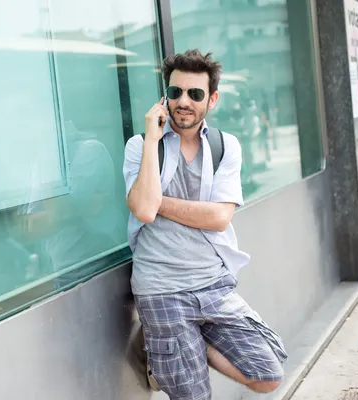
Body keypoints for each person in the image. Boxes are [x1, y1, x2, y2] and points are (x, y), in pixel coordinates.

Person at [123, 49, 287, 399]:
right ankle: (169, 345)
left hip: (213, 283)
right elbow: (142, 210)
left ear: (211, 99)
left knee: (268, 373)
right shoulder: (141, 146)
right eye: (175, 92)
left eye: (195, 94)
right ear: (164, 95)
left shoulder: (225, 146)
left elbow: (218, 217)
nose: (184, 101)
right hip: (162, 288)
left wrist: (156, 201)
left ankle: (169, 346)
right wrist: (153, 139)